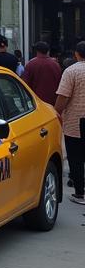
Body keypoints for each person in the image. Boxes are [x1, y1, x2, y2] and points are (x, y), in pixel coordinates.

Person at [55, 41, 85, 205]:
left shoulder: (71, 71)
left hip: (76, 120)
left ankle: (80, 193)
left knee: (76, 157)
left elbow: (63, 96)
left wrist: (56, 112)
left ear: (76, 54)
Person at [23, 41, 62, 107]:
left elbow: (25, 84)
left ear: (37, 51)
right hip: (53, 102)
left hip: (36, 101)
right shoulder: (56, 65)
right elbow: (60, 83)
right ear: (48, 51)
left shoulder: (30, 64)